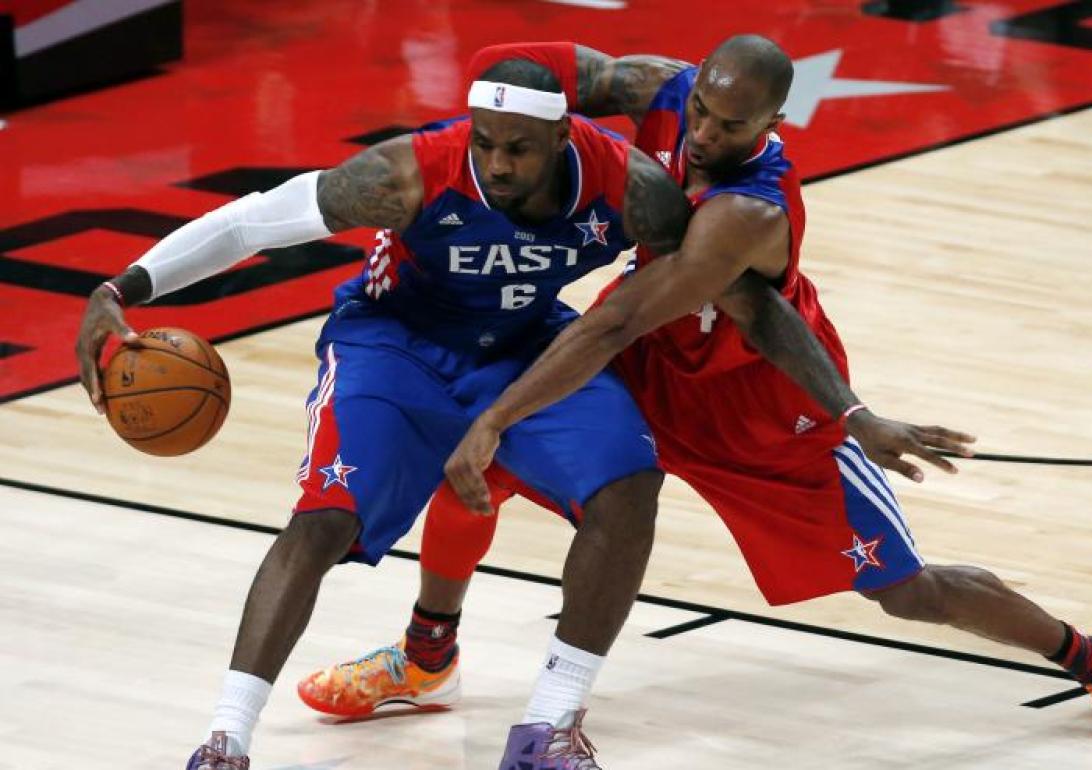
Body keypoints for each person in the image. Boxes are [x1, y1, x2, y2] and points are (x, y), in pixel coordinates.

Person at [300, 36, 1092, 768]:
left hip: (756, 407)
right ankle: (426, 658)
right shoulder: (668, 90)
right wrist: (501, 108)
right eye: (705, 114)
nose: (707, 134)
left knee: (905, 589)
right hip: (651, 372)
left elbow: (620, 320)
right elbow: (543, 69)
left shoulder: (749, 210)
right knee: (470, 480)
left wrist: (856, 414)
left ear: (774, 126)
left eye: (733, 125)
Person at [76, 58, 701, 770]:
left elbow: (711, 269)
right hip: (395, 344)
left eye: (518, 148)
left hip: (526, 343)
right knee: (322, 520)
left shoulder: (630, 188)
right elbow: (252, 221)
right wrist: (117, 288)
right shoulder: (411, 172)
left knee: (629, 487)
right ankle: (225, 741)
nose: (495, 163)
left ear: (562, 136)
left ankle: (547, 730)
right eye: (485, 142)